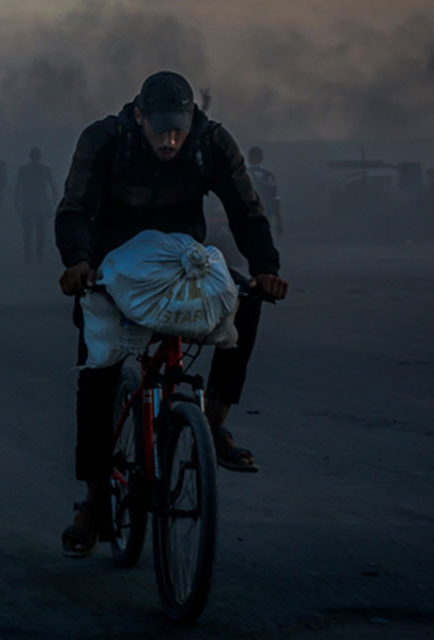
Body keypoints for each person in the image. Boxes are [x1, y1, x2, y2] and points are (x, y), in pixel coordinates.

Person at [54, 70, 289, 556]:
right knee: (98, 371)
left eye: (178, 129)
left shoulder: (212, 142)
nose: (170, 139)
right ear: (138, 117)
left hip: (182, 259)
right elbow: (74, 207)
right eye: (160, 129)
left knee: (244, 302)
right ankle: (96, 501)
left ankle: (216, 422)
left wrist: (266, 268)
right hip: (114, 261)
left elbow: (247, 210)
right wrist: (77, 262)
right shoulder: (104, 140)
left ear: (191, 120)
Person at [14, 148, 59, 263]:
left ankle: (28, 254)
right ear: (39, 157)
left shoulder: (23, 170)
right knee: (41, 231)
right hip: (40, 203)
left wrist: (16, 202)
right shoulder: (44, 170)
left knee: (28, 231)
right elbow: (53, 186)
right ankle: (39, 254)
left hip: (28, 203)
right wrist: (54, 199)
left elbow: (17, 188)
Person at [247, 146, 283, 235]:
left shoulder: (243, 175)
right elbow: (275, 200)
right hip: (265, 215)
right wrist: (279, 222)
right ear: (262, 158)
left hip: (246, 216)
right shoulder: (268, 176)